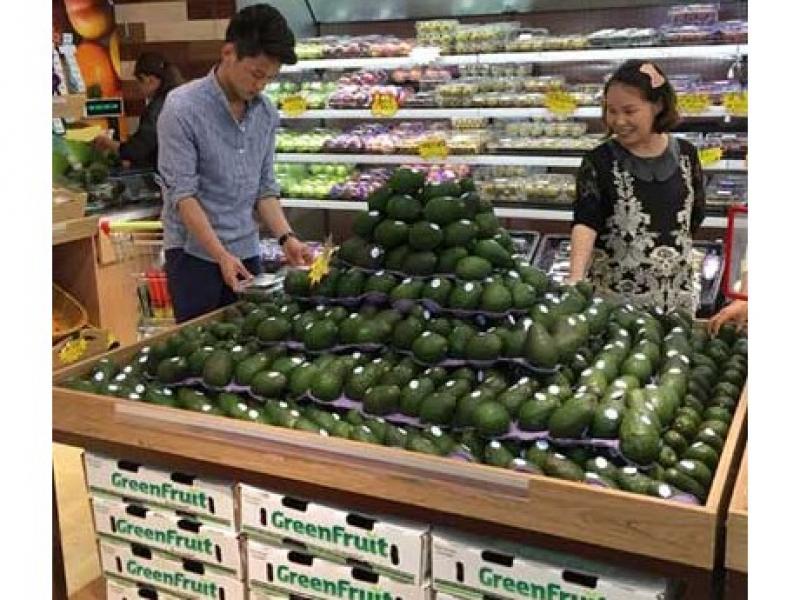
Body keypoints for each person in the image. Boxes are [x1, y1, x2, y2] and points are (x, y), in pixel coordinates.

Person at [157, 3, 313, 322]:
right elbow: (183, 195)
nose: (260, 86)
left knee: (254, 342)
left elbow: (264, 188)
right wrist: (220, 255)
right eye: (256, 74)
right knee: (201, 354)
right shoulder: (182, 108)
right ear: (229, 52)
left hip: (247, 250)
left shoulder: (266, 112)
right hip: (194, 256)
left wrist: (287, 239)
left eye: (269, 79)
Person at [567, 60, 706, 314]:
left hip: (678, 300)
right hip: (616, 303)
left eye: (629, 111)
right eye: (611, 111)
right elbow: (586, 222)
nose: (619, 121)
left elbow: (694, 217)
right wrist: (575, 278)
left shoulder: (687, 154)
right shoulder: (599, 160)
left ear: (658, 106)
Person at [93, 52, 183, 169]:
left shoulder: (159, 107)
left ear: (150, 80)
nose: (138, 87)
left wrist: (108, 143)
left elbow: (140, 147)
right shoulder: (179, 98)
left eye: (139, 81)